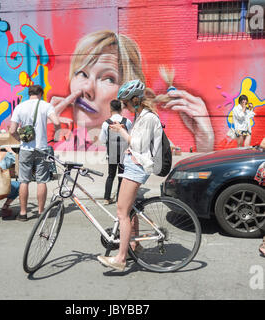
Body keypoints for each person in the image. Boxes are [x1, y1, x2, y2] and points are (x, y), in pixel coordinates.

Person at [49, 30, 213, 153]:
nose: (86, 89)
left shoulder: (141, 132)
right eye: (82, 74)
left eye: (108, 78)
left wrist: (205, 142)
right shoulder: (71, 141)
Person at [97, 79, 163, 271]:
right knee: (130, 208)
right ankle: (136, 244)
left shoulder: (148, 117)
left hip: (137, 167)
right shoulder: (141, 116)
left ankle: (121, 258)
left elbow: (138, 145)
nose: (124, 107)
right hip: (133, 164)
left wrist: (121, 131)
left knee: (122, 212)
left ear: (135, 100)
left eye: (126, 102)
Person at [9, 85, 60, 221]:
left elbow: (12, 130)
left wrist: (21, 140)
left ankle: (23, 213)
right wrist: (56, 133)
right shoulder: (46, 106)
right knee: (41, 180)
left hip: (25, 149)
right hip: (42, 148)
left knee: (24, 181)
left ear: (29, 93)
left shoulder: (20, 107)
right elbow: (56, 122)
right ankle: (40, 212)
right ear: (41, 94)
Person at [99, 100, 132, 205]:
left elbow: (102, 139)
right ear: (121, 109)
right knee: (121, 176)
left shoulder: (106, 123)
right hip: (124, 153)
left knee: (111, 175)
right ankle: (119, 198)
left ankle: (107, 198)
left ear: (110, 109)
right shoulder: (127, 122)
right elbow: (131, 137)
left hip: (112, 153)